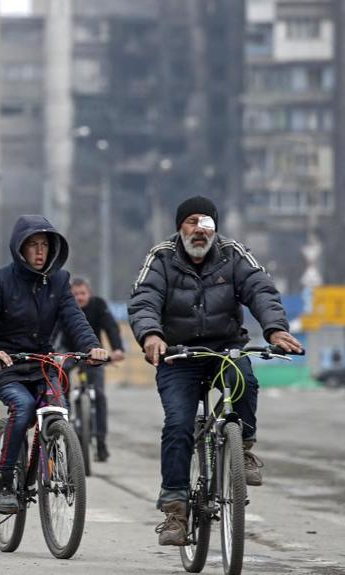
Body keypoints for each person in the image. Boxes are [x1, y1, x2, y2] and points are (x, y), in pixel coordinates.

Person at [128, 196, 302, 546]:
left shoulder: (233, 253)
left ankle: (244, 445)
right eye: (191, 221)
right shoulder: (160, 256)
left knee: (245, 378)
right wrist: (151, 335)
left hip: (224, 349)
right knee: (178, 424)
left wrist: (274, 328)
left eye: (205, 222)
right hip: (177, 354)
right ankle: (175, 509)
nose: (198, 229)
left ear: (215, 228)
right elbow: (144, 298)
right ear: (180, 227)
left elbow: (260, 289)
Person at [0, 215, 108, 513]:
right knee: (23, 408)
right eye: (32, 245)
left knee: (58, 408)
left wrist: (92, 346)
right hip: (5, 365)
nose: (40, 251)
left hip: (42, 363)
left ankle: (54, 465)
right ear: (19, 249)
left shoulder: (59, 281)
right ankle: (4, 481)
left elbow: (75, 319)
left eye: (44, 244)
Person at [62, 277, 125, 462]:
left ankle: (101, 442)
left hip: (93, 355)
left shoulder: (98, 305)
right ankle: (64, 427)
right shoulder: (64, 307)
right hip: (67, 352)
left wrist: (117, 349)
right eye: (75, 294)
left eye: (83, 293)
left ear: (90, 293)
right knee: (61, 387)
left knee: (99, 395)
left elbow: (111, 327)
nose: (79, 298)